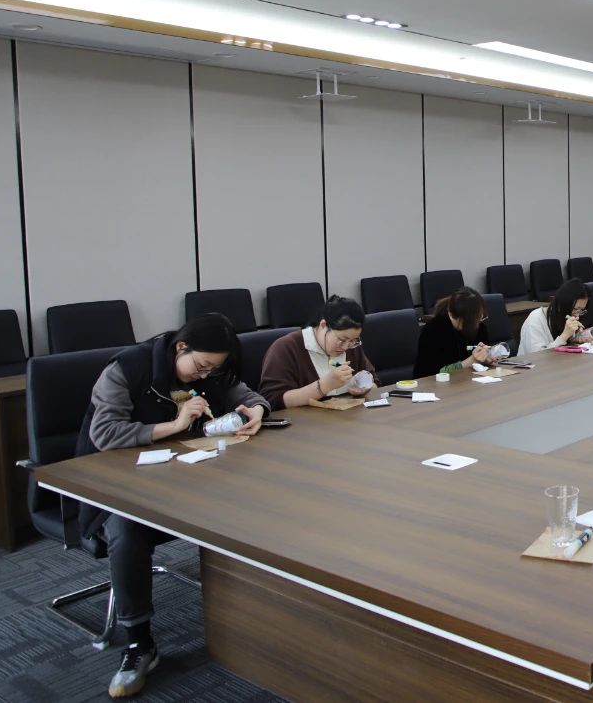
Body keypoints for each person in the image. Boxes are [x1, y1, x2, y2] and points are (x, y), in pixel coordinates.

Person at [74, 314, 269, 698]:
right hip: (118, 485)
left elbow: (247, 395)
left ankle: (252, 611)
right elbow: (105, 433)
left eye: (212, 370)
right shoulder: (127, 369)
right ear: (181, 347)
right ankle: (139, 641)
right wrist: (176, 425)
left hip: (185, 479)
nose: (205, 375)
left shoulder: (211, 370)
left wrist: (257, 410)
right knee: (126, 528)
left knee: (252, 493)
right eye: (201, 366)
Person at [261, 296, 378, 408]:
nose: (345, 347)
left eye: (353, 341)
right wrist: (323, 386)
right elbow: (273, 400)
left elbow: (374, 381)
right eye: (341, 340)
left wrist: (366, 387)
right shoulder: (286, 348)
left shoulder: (352, 347)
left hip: (349, 418)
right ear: (323, 325)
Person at [413, 286, 492, 377]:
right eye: (471, 322)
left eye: (480, 318)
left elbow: (483, 356)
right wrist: (472, 360)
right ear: (452, 315)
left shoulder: (479, 325)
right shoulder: (432, 332)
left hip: (470, 379)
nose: (478, 324)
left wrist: (487, 357)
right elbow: (432, 374)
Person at [519, 278, 589, 354]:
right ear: (560, 305)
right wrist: (565, 335)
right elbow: (538, 355)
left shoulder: (565, 316)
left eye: (581, 310)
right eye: (575, 309)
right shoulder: (535, 319)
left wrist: (576, 338)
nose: (577, 315)